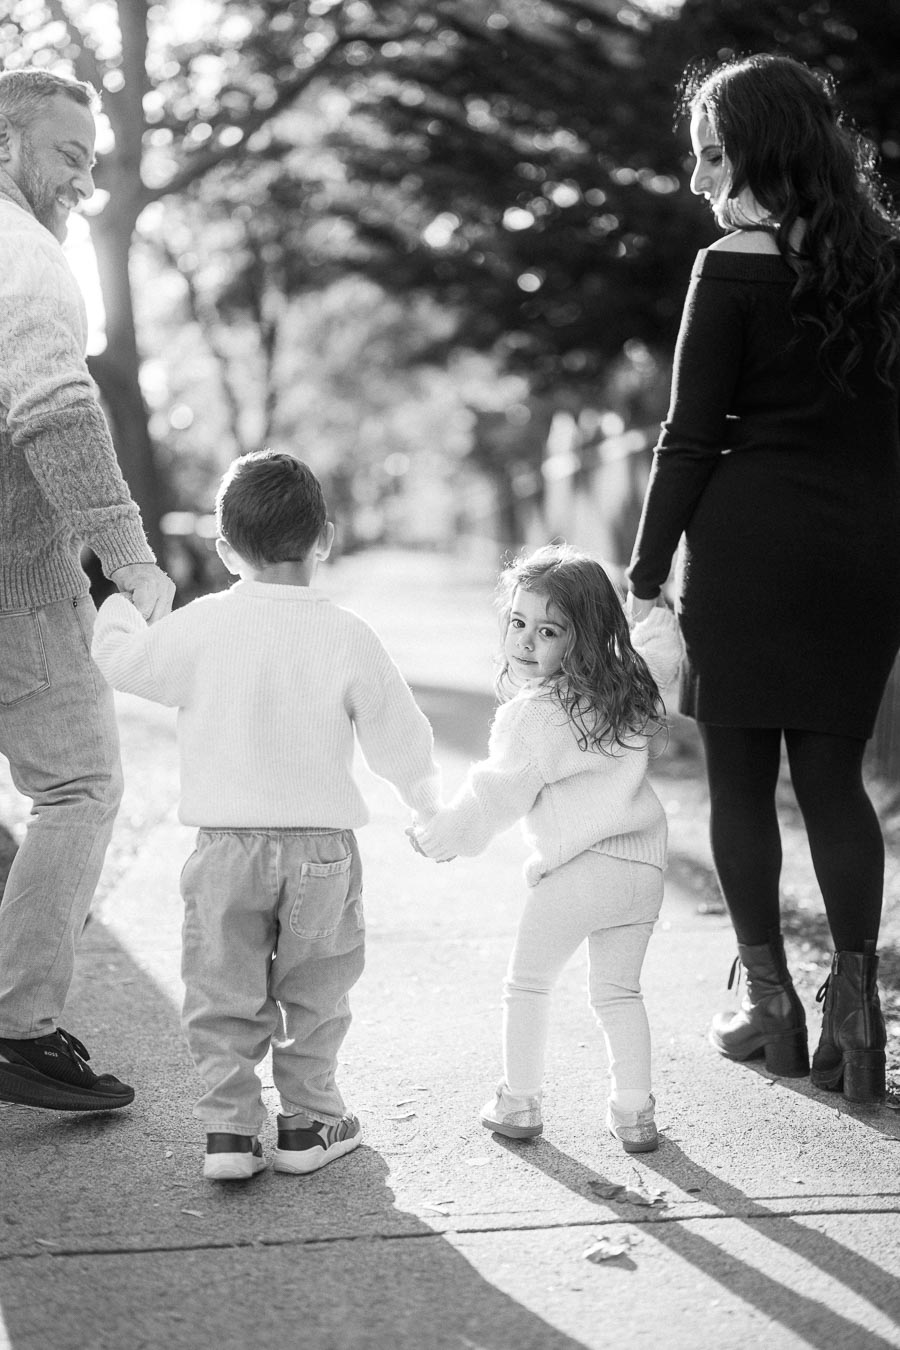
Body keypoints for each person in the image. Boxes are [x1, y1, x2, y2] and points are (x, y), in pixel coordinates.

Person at [627, 54, 900, 1105]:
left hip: (746, 549)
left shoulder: (732, 266)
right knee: (835, 782)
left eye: (710, 153)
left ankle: (770, 1004)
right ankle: (861, 1017)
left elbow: (688, 441)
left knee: (739, 783)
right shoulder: (886, 264)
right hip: (866, 551)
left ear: (759, 150)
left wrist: (647, 573)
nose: (699, 179)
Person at [92, 450, 441, 1181]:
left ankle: (229, 1132)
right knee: (316, 990)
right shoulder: (347, 633)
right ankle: (308, 1124)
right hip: (321, 853)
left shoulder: (204, 625)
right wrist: (425, 802)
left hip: (224, 851)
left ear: (224, 550)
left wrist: (121, 607)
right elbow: (398, 733)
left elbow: (123, 663)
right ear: (326, 539)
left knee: (222, 991)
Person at [0, 68, 174, 1113]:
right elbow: (58, 411)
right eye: (68, 152)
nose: (84, 179)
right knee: (77, 788)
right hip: (15, 587)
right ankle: (19, 1026)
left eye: (93, 160)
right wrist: (131, 554)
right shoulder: (26, 261)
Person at [410, 545, 682, 1153]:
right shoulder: (635, 685)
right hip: (642, 870)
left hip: (578, 874)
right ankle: (634, 1112)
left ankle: (519, 1101)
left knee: (528, 984)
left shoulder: (534, 716)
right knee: (618, 992)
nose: (526, 641)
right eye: (518, 623)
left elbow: (493, 796)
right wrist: (654, 614)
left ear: (582, 640)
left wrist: (443, 835)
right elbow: (663, 653)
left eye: (549, 630)